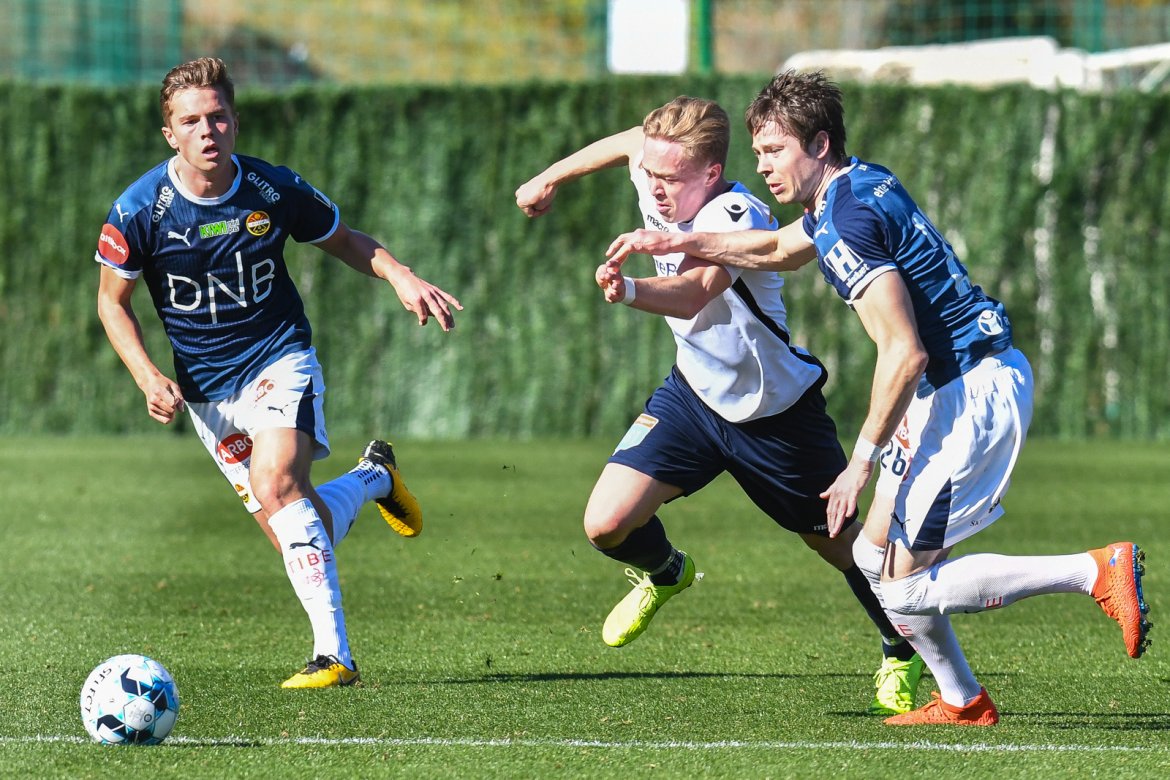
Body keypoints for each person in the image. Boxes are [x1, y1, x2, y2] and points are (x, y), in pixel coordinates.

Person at [606, 71, 1152, 726]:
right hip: (943, 389)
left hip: (969, 392)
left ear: (818, 142)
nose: (762, 167)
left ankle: (1093, 571)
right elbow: (780, 248)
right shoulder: (856, 184)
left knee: (910, 588)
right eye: (758, 153)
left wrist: (859, 464)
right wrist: (680, 240)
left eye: (774, 151)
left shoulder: (851, 218)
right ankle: (962, 701)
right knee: (868, 556)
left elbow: (904, 352)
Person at [516, 96, 927, 716]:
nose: (654, 188)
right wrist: (549, 177)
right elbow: (631, 140)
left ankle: (901, 647)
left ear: (709, 173)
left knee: (843, 549)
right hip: (693, 400)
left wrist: (628, 288)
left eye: (669, 178)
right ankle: (664, 571)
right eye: (650, 175)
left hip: (776, 418)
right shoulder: (659, 168)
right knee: (605, 524)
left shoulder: (738, 211)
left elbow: (691, 295)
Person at [94, 57, 462, 689]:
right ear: (170, 135)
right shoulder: (138, 212)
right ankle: (375, 478)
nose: (208, 130)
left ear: (236, 122)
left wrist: (400, 275)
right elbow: (111, 302)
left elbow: (344, 239)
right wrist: (148, 375)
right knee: (294, 527)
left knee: (278, 484)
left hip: (277, 356)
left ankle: (335, 658)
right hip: (209, 391)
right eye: (192, 121)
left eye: (218, 117)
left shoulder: (270, 189)